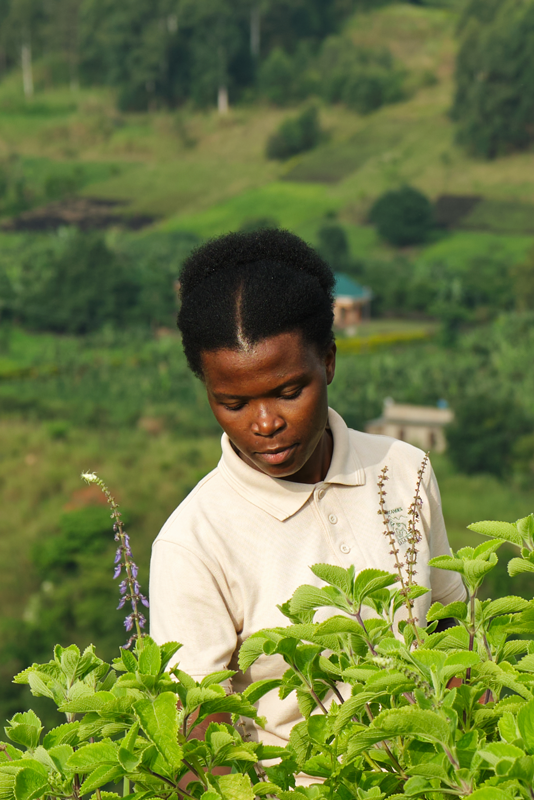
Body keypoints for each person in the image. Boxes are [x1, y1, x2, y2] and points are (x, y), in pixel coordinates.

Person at [148, 228, 466, 773]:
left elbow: (450, 627)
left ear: (330, 364)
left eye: (289, 391)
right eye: (232, 402)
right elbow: (202, 741)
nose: (265, 422)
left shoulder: (403, 470)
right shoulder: (194, 543)